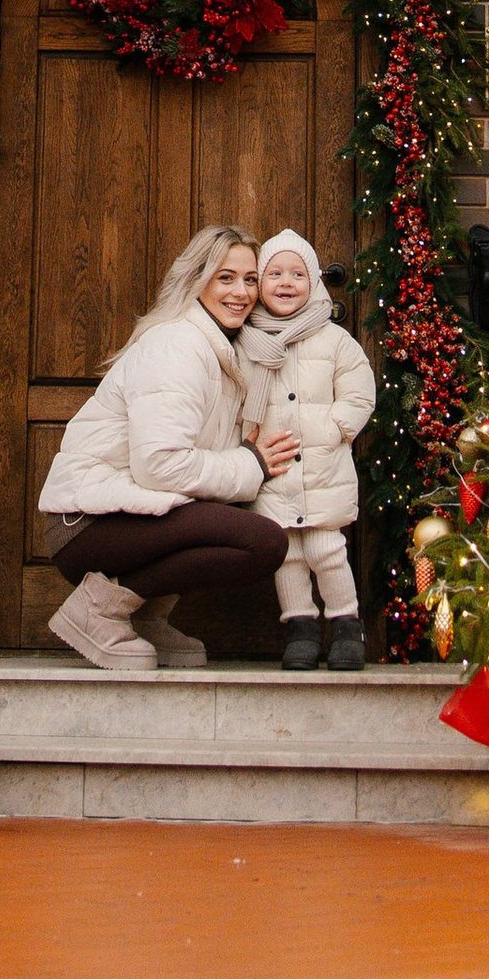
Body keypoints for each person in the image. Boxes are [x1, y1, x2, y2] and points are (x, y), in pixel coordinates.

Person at [37, 227, 297, 672]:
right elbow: (159, 465)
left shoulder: (220, 348)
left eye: (251, 280)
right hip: (87, 525)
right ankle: (98, 609)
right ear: (197, 280)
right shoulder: (177, 345)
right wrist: (248, 463)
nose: (241, 293)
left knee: (246, 525)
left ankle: (144, 615)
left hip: (123, 516)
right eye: (225, 278)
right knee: (263, 542)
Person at [237, 229, 375, 670]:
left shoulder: (333, 340)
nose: (286, 282)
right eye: (274, 273)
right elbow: (233, 395)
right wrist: (245, 444)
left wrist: (336, 428)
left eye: (297, 273)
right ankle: (300, 630)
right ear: (260, 282)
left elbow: (359, 392)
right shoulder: (247, 341)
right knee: (287, 553)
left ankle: (346, 626)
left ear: (313, 282)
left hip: (321, 468)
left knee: (325, 549)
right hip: (272, 470)